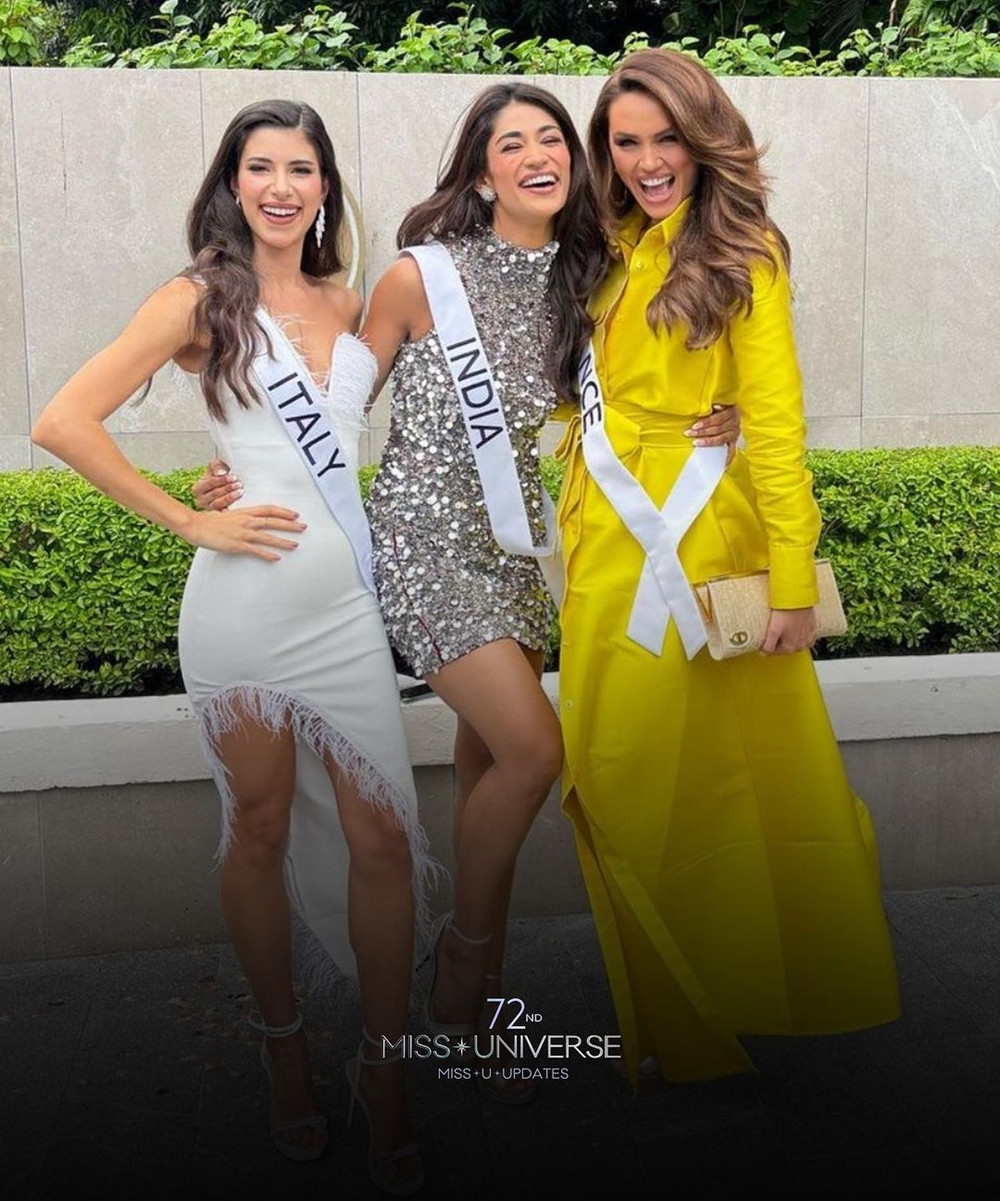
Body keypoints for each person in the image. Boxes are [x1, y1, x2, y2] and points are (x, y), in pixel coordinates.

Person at [192, 83, 738, 1104]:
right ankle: (467, 957)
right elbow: (326, 408)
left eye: (550, 139)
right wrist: (231, 474)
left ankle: (478, 1006)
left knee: (489, 765)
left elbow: (653, 392)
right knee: (535, 750)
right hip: (423, 544)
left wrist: (726, 413)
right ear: (481, 173)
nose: (536, 156)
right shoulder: (420, 276)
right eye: (510, 143)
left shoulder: (598, 281)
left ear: (573, 162)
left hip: (520, 554)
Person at [32, 99, 428, 1195]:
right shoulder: (200, 299)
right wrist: (192, 518)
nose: (281, 187)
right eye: (261, 167)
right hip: (244, 607)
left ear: (325, 188)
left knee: (385, 836)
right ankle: (283, 1046)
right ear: (233, 183)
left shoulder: (348, 301)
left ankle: (384, 1065)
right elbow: (63, 420)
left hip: (342, 606)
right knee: (256, 823)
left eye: (301, 168)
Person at [553, 48, 900, 1087]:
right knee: (616, 775)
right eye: (626, 142)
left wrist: (792, 583)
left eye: (667, 138)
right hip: (600, 542)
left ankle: (705, 1010)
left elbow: (779, 427)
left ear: (706, 140)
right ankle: (675, 1006)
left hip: (695, 545)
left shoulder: (747, 255)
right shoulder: (610, 246)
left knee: (694, 783)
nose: (647, 160)